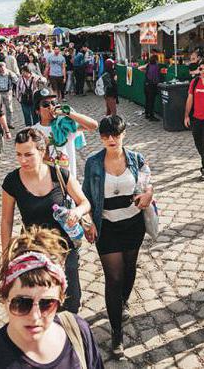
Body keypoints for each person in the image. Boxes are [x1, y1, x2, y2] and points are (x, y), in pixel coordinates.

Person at [0, 226, 104, 369]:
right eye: (21, 303)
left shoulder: (77, 331)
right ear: (4, 298)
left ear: (61, 299)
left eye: (47, 304)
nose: (35, 317)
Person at [82, 115, 153, 357]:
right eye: (105, 135)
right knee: (113, 277)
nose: (111, 139)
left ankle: (123, 301)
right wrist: (87, 220)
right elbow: (85, 197)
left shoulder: (136, 159)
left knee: (130, 268)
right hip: (107, 227)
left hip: (133, 224)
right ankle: (116, 333)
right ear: (101, 137)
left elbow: (147, 184)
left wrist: (148, 196)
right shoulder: (93, 163)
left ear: (124, 134)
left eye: (116, 134)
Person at [0, 129, 92, 314]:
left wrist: (76, 211)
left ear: (42, 152)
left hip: (65, 246)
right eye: (18, 154)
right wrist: (6, 255)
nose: (22, 160)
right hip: (33, 249)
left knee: (70, 296)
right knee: (41, 298)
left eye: (28, 154)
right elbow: (6, 220)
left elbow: (85, 202)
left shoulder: (60, 174)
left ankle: (70, 329)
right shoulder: (12, 181)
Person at [32, 88, 98, 180]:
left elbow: (93, 125)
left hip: (68, 181)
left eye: (54, 103)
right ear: (37, 111)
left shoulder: (65, 125)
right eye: (45, 104)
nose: (50, 107)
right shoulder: (33, 131)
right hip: (45, 180)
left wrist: (68, 113)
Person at [0, 61, 19, 129]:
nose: (2, 70)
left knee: (9, 109)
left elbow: (17, 81)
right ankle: (0, 124)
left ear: (5, 67)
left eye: (3, 68)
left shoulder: (9, 73)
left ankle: (9, 123)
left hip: (7, 93)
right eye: (0, 68)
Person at [138, 53, 161, 121]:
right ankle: (151, 116)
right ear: (156, 60)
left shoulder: (148, 65)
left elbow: (139, 68)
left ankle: (147, 114)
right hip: (152, 85)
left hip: (146, 84)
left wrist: (146, 72)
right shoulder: (156, 66)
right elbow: (156, 77)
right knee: (151, 101)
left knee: (147, 100)